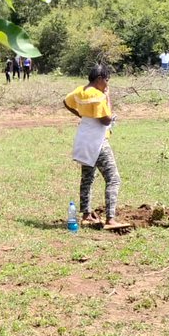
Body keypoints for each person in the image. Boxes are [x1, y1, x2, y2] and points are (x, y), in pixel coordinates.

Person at [63, 63, 122, 228]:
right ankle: (110, 218)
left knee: (87, 179)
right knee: (113, 179)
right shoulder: (99, 95)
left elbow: (66, 102)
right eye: (106, 80)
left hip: (83, 139)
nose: (107, 84)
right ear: (99, 79)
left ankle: (86, 215)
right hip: (98, 141)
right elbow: (106, 119)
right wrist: (108, 97)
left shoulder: (80, 91)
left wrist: (82, 115)